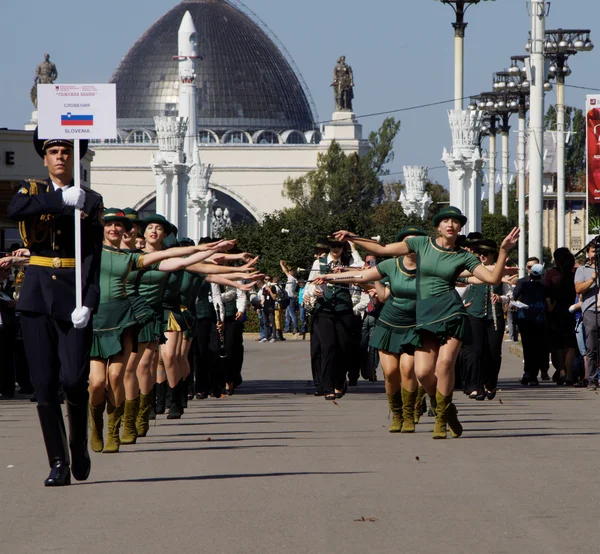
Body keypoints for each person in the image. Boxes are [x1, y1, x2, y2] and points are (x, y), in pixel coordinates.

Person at [334, 207, 519, 439]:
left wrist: (503, 251)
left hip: (451, 314)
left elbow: (491, 278)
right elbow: (381, 249)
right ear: (438, 227)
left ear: (460, 228)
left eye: (455, 222)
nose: (450, 224)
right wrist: (352, 238)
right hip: (425, 318)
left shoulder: (464, 256)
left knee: (444, 365)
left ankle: (440, 419)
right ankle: (448, 409)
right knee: (422, 373)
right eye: (445, 221)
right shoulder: (421, 244)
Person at [7, 132, 103, 486]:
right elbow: (15, 210)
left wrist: (90, 302)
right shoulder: (32, 192)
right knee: (44, 384)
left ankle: (78, 444)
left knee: (74, 380)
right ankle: (58, 461)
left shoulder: (91, 200)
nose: (60, 157)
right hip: (36, 295)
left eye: (66, 151)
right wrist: (61, 200)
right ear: (45, 159)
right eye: (54, 152)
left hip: (72, 295)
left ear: (75, 159)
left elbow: (93, 257)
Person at [315, 227, 428, 432]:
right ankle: (396, 413)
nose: (411, 246)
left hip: (414, 326)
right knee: (391, 372)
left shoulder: (428, 267)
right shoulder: (390, 265)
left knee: (408, 371)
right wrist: (331, 277)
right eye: (407, 242)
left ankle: (409, 413)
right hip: (389, 323)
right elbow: (363, 279)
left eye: (416, 242)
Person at [304, 238, 363, 400]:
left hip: (344, 310)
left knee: (344, 348)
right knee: (328, 347)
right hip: (324, 310)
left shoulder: (349, 262)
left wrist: (354, 248)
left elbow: (361, 270)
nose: (336, 249)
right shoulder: (319, 263)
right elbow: (309, 284)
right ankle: (327, 385)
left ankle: (339, 381)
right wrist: (312, 292)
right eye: (332, 246)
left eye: (339, 246)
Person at [461, 240, 509, 400]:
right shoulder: (471, 270)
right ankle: (476, 386)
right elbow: (461, 288)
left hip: (494, 317)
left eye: (485, 254)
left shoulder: (501, 270)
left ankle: (491, 383)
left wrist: (500, 298)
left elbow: (509, 295)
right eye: (480, 254)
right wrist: (461, 304)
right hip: (474, 314)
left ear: (493, 255)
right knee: (476, 351)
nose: (482, 256)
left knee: (494, 352)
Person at [513, 264, 550, 386]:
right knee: (537, 347)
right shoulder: (545, 288)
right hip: (538, 320)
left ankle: (527, 373)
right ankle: (533, 375)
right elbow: (549, 306)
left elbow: (515, 299)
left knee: (527, 346)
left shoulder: (524, 285)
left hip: (524, 319)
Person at [545, 247, 577, 386]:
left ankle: (561, 371)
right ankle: (570, 375)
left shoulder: (551, 274)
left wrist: (549, 306)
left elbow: (545, 292)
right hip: (572, 311)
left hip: (555, 312)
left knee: (558, 345)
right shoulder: (574, 273)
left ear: (556, 260)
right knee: (570, 345)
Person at [574, 243, 600, 389]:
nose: (595, 254)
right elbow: (578, 288)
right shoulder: (582, 270)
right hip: (591, 310)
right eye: (592, 251)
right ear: (588, 254)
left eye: (597, 251)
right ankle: (591, 378)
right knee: (591, 346)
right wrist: (591, 279)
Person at [280, 260, 299, 335]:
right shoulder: (294, 279)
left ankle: (295, 328)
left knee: (292, 314)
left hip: (290, 297)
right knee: (287, 314)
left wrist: (281, 264)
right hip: (289, 297)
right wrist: (286, 264)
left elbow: (285, 270)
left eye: (291, 271)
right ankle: (287, 328)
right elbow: (288, 270)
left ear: (293, 273)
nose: (289, 272)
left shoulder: (291, 278)